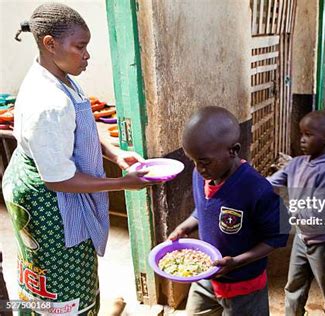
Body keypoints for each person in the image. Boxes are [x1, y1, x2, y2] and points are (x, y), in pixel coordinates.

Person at [2, 4, 160, 315]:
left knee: (53, 267)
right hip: (47, 200)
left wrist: (114, 152)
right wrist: (122, 183)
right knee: (61, 272)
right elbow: (59, 179)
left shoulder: (58, 76)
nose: (86, 55)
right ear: (50, 44)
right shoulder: (48, 104)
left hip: (42, 180)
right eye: (80, 47)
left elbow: (82, 122)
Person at [168, 106, 288, 316]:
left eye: (204, 162)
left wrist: (237, 262)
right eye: (193, 161)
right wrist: (185, 226)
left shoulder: (256, 189)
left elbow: (277, 236)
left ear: (233, 150)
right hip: (206, 276)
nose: (198, 168)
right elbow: (204, 210)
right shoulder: (202, 175)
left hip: (244, 286)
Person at [268, 110, 325, 316]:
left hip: (323, 242)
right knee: (294, 286)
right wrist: (248, 182)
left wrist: (287, 210)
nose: (302, 140)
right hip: (302, 237)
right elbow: (273, 183)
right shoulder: (298, 163)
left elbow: (319, 213)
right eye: (301, 134)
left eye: (309, 135)